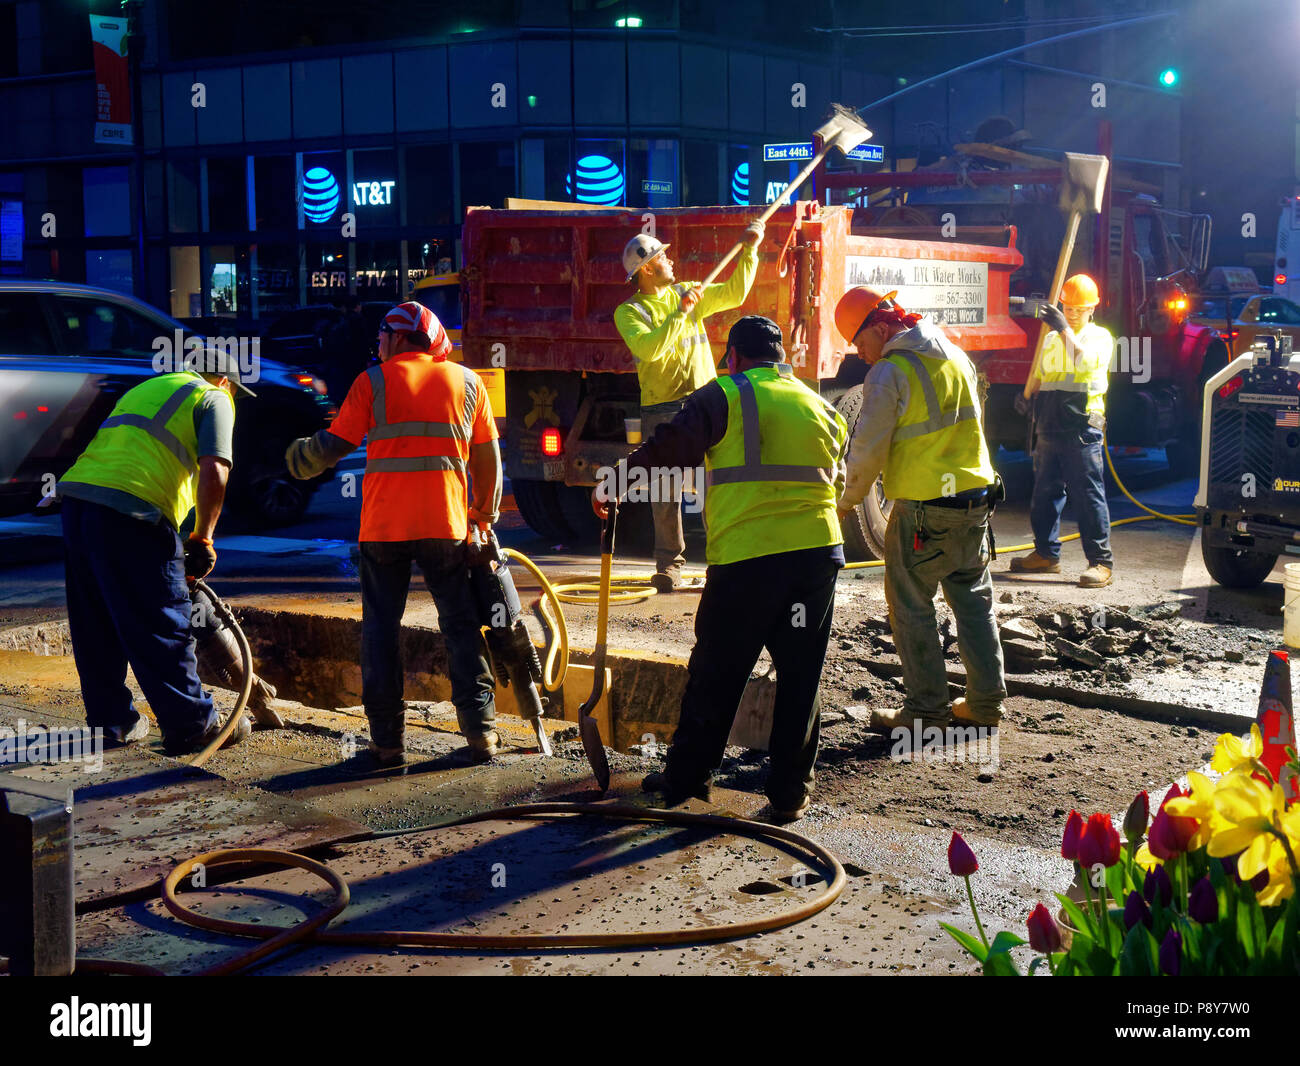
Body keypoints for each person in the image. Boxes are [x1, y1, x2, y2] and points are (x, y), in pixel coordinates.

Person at [594, 316, 848, 822]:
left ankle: (688, 779)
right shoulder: (819, 405)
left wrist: (617, 479)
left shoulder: (725, 394)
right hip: (817, 558)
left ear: (733, 355)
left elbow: (671, 444)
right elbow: (837, 477)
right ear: (779, 358)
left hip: (749, 561)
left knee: (717, 670)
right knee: (801, 676)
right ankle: (790, 793)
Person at [285, 301, 502, 767]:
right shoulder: (468, 382)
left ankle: (387, 743)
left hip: (385, 529)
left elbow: (332, 447)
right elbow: (488, 459)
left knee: (382, 630)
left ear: (400, 337)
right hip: (446, 525)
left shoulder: (373, 383)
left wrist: (293, 458)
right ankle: (482, 733)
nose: (378, 344)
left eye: (382, 336)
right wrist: (484, 514)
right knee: (461, 627)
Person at [57, 349, 255, 756]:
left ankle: (112, 722)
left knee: (96, 620)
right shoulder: (212, 396)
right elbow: (217, 468)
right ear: (224, 381)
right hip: (135, 513)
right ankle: (193, 725)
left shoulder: (147, 388)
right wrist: (203, 538)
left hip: (79, 503)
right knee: (162, 619)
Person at [834, 285, 1006, 730]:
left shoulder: (890, 371)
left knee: (911, 606)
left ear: (881, 327)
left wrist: (847, 502)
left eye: (859, 342)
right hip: (976, 500)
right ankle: (986, 706)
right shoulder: (952, 351)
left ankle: (926, 711)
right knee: (974, 601)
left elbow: (868, 449)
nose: (860, 354)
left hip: (925, 509)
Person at [613, 219, 764, 592]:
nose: (671, 260)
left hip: (703, 400)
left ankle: (722, 563)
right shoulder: (629, 312)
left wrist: (749, 250)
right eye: (663, 257)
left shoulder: (686, 291)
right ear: (646, 268)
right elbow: (650, 350)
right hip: (663, 407)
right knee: (665, 492)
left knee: (716, 484)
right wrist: (681, 312)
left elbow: (734, 294)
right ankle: (669, 564)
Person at [1010, 273, 1114, 588]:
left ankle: (1100, 562)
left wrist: (1064, 329)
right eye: (1068, 307)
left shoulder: (1099, 338)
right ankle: (1046, 554)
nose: (1072, 312)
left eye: (1078, 309)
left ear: (1091, 309)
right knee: (1044, 493)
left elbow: (1082, 362)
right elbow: (1042, 372)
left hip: (1083, 427)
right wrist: (1027, 396)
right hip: (1050, 423)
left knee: (1087, 494)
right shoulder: (1052, 338)